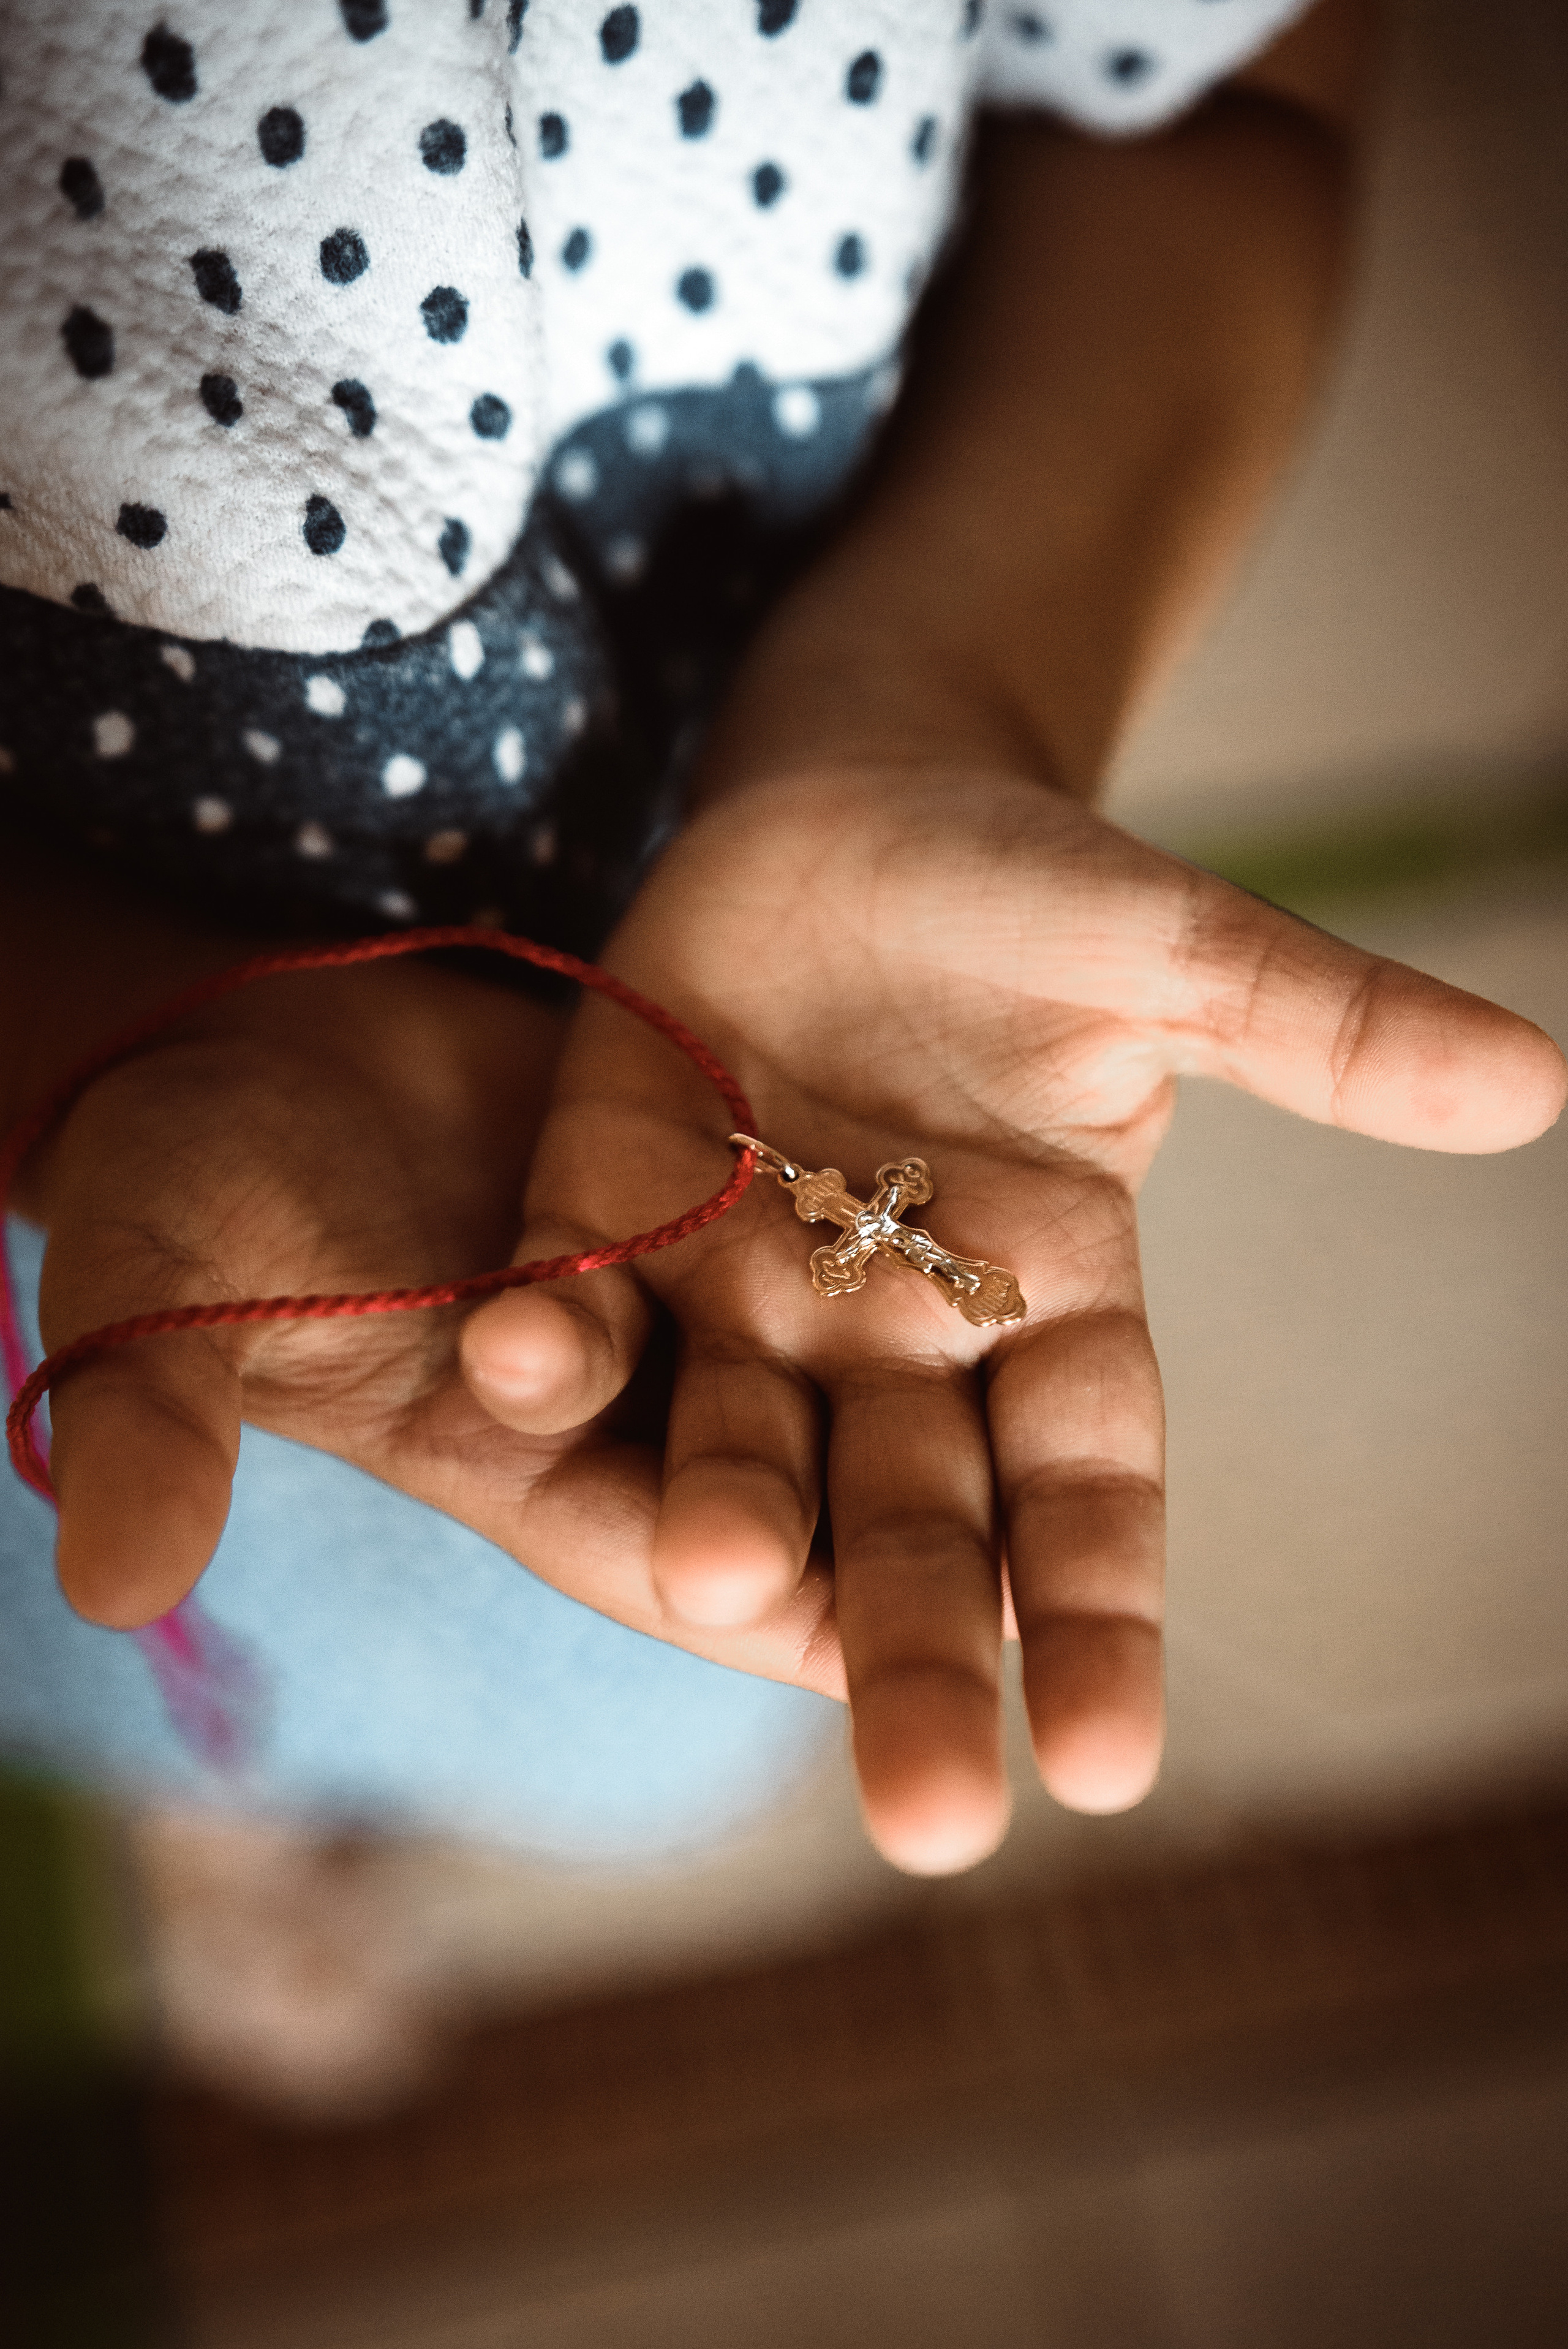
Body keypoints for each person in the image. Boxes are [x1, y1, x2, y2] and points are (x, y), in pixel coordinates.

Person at [2, 0, 1562, 1888]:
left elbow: (1236, 97)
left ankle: (283, 1811)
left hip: (663, 1133)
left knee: (663, 1613)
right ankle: (207, 1819)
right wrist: (76, 1025)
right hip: (108, 1117)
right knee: (155, 1587)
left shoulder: (831, 1213)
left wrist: (935, 693)